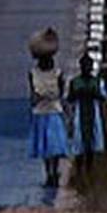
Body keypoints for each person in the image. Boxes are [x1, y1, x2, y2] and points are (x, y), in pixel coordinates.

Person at [27, 27, 69, 188]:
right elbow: (60, 94)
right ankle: (51, 173)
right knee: (49, 147)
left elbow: (33, 96)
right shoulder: (43, 73)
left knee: (51, 146)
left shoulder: (52, 73)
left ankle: (52, 173)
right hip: (47, 112)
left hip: (47, 112)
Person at [67, 51, 107, 177]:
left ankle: (89, 170)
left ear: (91, 67)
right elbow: (70, 98)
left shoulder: (98, 82)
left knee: (92, 143)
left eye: (88, 65)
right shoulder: (75, 82)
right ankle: (79, 170)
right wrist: (78, 94)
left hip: (93, 114)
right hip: (79, 114)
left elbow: (104, 98)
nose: (86, 68)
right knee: (79, 144)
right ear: (81, 67)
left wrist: (94, 94)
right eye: (84, 65)